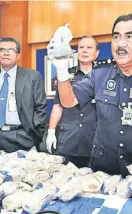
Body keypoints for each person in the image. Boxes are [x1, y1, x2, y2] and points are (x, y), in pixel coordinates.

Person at [47, 13, 132, 185]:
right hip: (101, 170)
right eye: (116, 37)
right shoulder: (100, 73)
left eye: (129, 36)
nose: (121, 44)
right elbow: (68, 101)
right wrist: (62, 68)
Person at [0, 37, 47, 153]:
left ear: (18, 55)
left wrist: (36, 133)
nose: (6, 53)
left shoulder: (32, 76)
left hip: (22, 136)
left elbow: (41, 108)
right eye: (2, 50)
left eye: (11, 50)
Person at [46, 35, 100, 168]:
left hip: (95, 141)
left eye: (89, 47)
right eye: (81, 47)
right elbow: (58, 105)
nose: (84, 50)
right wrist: (51, 132)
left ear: (97, 53)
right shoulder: (66, 75)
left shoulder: (104, 77)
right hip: (70, 139)